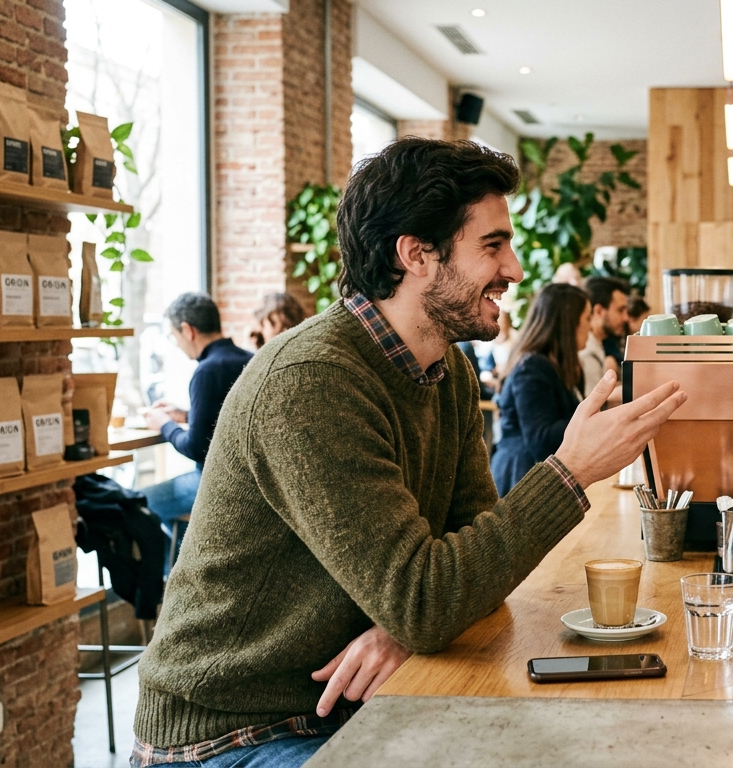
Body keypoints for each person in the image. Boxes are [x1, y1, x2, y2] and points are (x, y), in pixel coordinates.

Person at [132, 138, 686, 768]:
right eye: (492, 245)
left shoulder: (445, 369)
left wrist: (408, 624)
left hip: (350, 705)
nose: (515, 270)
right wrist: (570, 470)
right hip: (231, 733)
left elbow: (462, 565)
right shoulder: (312, 381)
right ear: (417, 254)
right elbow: (429, 597)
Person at [142, 293, 253, 563]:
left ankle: (181, 569)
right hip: (249, 477)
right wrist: (185, 415)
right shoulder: (248, 359)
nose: (177, 345)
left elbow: (196, 447)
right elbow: (228, 418)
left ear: (188, 331)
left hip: (214, 482)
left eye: (174, 336)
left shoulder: (206, 371)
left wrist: (164, 424)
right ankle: (190, 562)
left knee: (140, 503)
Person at [491, 284, 589, 495]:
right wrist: (593, 413)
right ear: (569, 323)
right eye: (587, 318)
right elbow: (541, 438)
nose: (590, 327)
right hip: (520, 479)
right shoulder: (532, 367)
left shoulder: (560, 365)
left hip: (536, 476)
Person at [579, 275, 629, 395]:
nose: (626, 318)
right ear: (599, 311)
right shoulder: (586, 353)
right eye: (620, 310)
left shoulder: (597, 345)